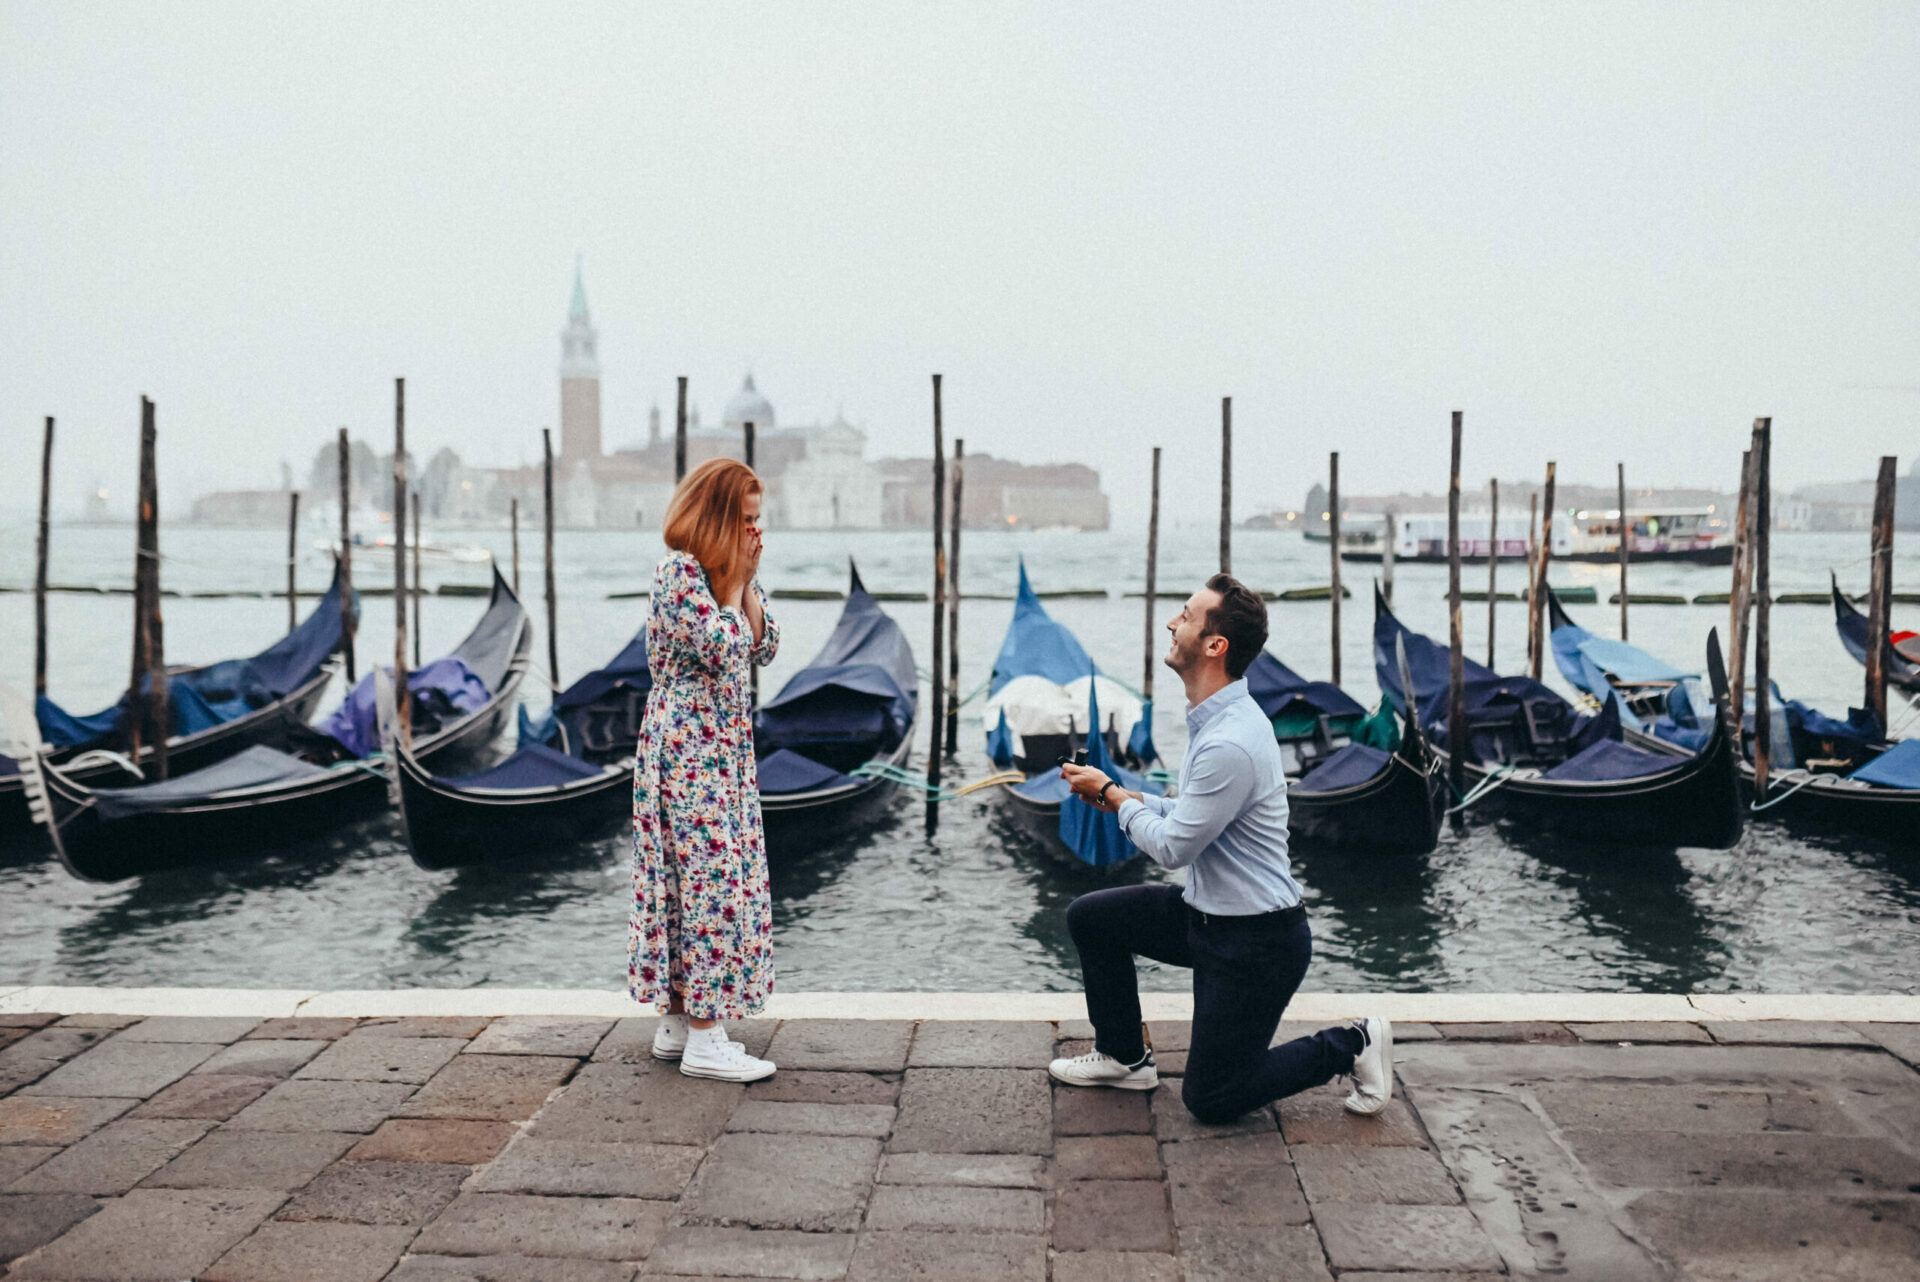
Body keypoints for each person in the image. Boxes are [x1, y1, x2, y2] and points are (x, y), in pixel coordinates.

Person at [1053, 573, 1392, 1123]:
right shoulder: (1218, 721)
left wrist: (1114, 797)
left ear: (1215, 645)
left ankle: (1353, 1043)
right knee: (1092, 919)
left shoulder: (1229, 739)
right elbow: (1194, 813)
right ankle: (1125, 1057)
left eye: (1185, 616)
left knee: (1211, 1099)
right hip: (1206, 919)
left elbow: (1174, 849)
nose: (1171, 622)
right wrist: (1137, 799)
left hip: (1256, 943)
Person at [629, 458, 781, 1082]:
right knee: (703, 881)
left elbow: (765, 646)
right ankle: (705, 1036)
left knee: (697, 878)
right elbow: (724, 649)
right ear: (718, 517)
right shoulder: (679, 577)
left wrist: (744, 582)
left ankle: (678, 1019)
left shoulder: (722, 575)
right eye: (744, 520)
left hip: (720, 749)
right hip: (688, 750)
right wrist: (731, 588)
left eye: (757, 521)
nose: (754, 534)